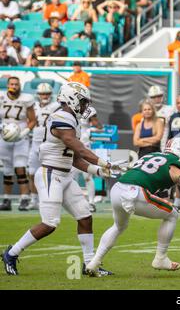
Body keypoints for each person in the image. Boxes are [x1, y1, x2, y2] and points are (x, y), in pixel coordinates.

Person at [1, 82, 118, 276]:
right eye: (82, 102)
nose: (84, 107)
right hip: (50, 174)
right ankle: (11, 253)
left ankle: (90, 264)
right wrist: (102, 161)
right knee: (50, 223)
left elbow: (75, 159)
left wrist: (98, 170)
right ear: (71, 99)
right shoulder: (61, 117)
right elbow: (76, 146)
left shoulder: (72, 119)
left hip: (64, 175)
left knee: (85, 217)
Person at [84, 138, 180, 276]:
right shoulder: (175, 165)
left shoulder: (152, 155)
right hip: (134, 192)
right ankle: (160, 258)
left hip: (117, 190)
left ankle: (94, 262)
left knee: (118, 226)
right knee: (172, 214)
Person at [0, 76, 36, 211]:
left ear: (19, 85)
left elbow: (33, 120)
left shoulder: (26, 99)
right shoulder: (1, 97)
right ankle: (7, 199)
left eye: (16, 84)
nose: (14, 86)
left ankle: (24, 198)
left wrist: (24, 132)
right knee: (7, 169)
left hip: (20, 136)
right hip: (4, 135)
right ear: (8, 85)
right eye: (12, 84)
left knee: (20, 168)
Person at [26, 83, 59, 211]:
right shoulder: (33, 106)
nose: (44, 96)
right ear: (38, 95)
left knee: (50, 172)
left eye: (47, 93)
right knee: (32, 172)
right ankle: (34, 199)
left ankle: (48, 199)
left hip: (50, 143)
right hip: (35, 142)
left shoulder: (56, 106)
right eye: (42, 93)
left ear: (51, 94)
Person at [147, 85, 175, 150]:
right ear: (150, 98)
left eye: (159, 96)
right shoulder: (147, 111)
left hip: (166, 140)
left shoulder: (170, 109)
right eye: (154, 97)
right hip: (151, 142)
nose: (157, 99)